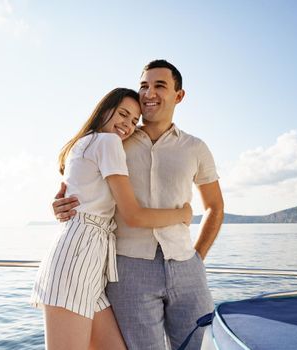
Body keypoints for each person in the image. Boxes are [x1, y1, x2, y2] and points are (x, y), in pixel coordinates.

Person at [52, 60, 224, 350]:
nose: (149, 92)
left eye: (159, 85)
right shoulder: (117, 140)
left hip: (186, 266)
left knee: (200, 345)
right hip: (128, 269)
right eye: (144, 85)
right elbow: (82, 182)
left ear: (179, 96)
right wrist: (61, 206)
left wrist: (197, 257)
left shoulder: (195, 148)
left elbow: (215, 207)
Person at [31, 87, 193, 350]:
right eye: (122, 114)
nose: (127, 125)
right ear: (104, 110)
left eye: (133, 121)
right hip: (78, 257)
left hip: (91, 261)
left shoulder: (88, 142)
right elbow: (133, 214)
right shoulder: (107, 142)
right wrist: (183, 214)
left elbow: (79, 193)